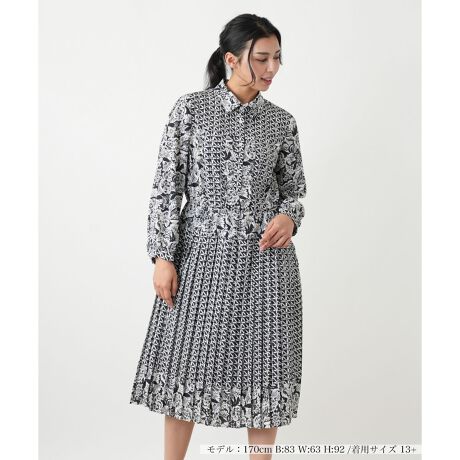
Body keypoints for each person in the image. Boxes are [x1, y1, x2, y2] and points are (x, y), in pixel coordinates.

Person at [130, 13, 307, 460]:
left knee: (265, 373)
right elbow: (166, 187)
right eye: (262, 58)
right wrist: (163, 256)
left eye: (278, 58)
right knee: (184, 367)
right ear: (231, 59)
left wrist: (289, 217)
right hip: (200, 257)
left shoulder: (282, 122)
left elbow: (295, 191)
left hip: (267, 264)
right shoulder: (191, 110)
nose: (272, 68)